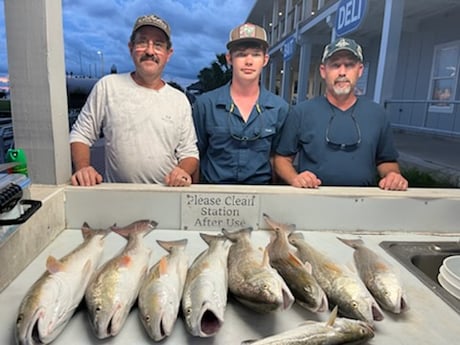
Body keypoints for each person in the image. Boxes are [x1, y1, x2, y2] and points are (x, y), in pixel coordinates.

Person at [69, 14, 199, 187]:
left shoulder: (179, 99)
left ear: (169, 54)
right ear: (131, 48)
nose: (150, 51)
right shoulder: (108, 86)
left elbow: (190, 153)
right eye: (142, 42)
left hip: (167, 194)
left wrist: (182, 171)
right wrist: (83, 168)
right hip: (119, 196)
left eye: (158, 45)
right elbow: (80, 135)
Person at [274, 37, 408, 191]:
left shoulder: (377, 114)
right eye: (336, 65)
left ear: (360, 70)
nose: (342, 72)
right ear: (324, 71)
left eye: (349, 65)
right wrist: (295, 178)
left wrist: (392, 175)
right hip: (314, 199)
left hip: (362, 203)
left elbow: (386, 160)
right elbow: (282, 159)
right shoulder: (301, 112)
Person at [192, 23, 289, 184]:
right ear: (229, 58)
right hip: (212, 199)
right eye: (241, 54)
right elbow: (195, 155)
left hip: (260, 196)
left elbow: (278, 160)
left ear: (265, 60)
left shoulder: (280, 108)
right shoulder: (205, 105)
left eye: (256, 55)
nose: (249, 61)